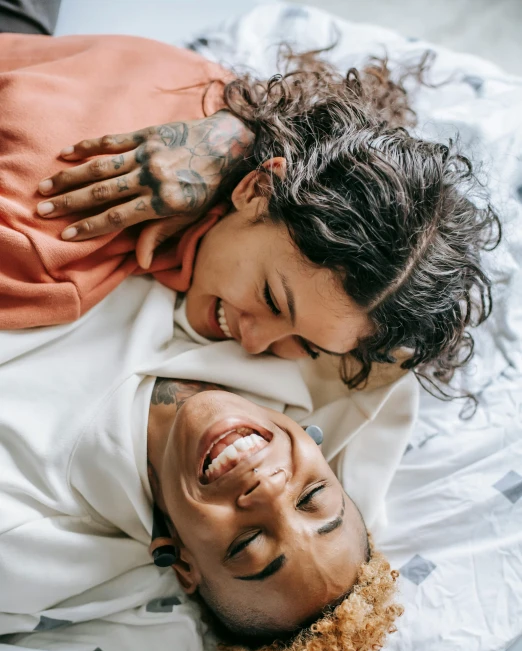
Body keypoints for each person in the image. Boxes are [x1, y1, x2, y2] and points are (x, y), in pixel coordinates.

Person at [0, 33, 499, 395]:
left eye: (309, 345)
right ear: (259, 187)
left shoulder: (225, 98)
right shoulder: (54, 235)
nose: (256, 344)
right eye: (272, 299)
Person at [0, 270, 410, 651]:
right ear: (317, 448)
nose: (268, 491)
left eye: (248, 543)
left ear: (180, 562)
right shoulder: (292, 341)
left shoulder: (31, 519)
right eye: (312, 495)